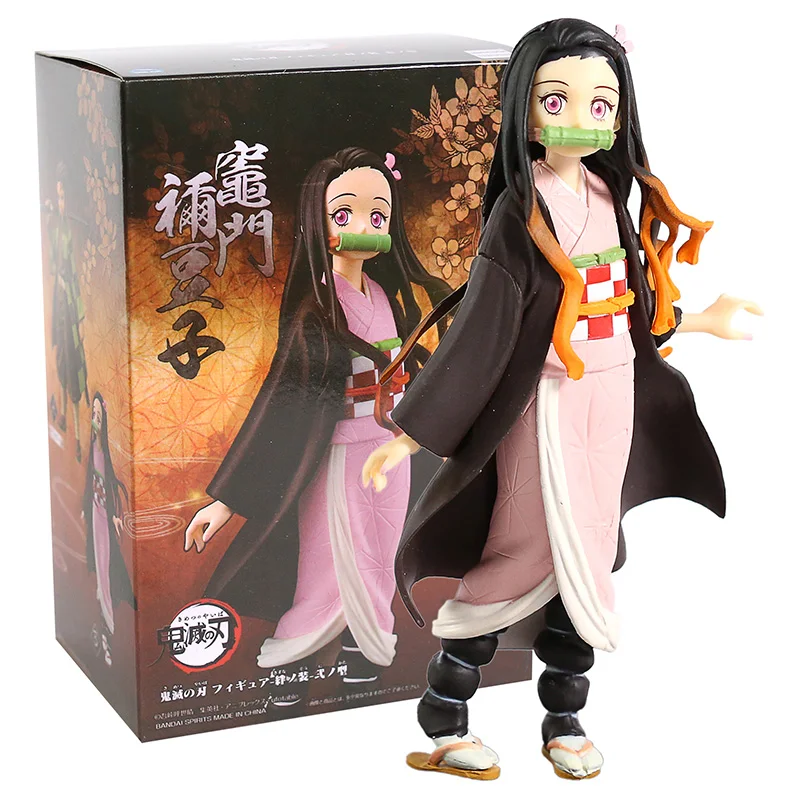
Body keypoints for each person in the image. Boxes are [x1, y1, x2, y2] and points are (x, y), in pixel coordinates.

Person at [363, 19, 761, 780]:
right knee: (522, 545)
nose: (581, 118)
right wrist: (412, 433)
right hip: (543, 400)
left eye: (600, 104)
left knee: (592, 551)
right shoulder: (521, 211)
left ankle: (565, 721)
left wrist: (701, 319)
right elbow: (481, 332)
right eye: (557, 100)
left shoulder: (611, 195)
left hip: (611, 394)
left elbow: (634, 304)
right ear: (525, 110)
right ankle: (445, 720)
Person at [185, 147, 448, 690]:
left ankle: (365, 647)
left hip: (390, 448)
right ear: (317, 222)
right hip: (336, 452)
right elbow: (279, 403)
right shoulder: (317, 310)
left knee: (382, 552)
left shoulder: (389, 298)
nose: (363, 227)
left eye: (378, 215)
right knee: (326, 558)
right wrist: (226, 499)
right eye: (344, 213)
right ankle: (292, 655)